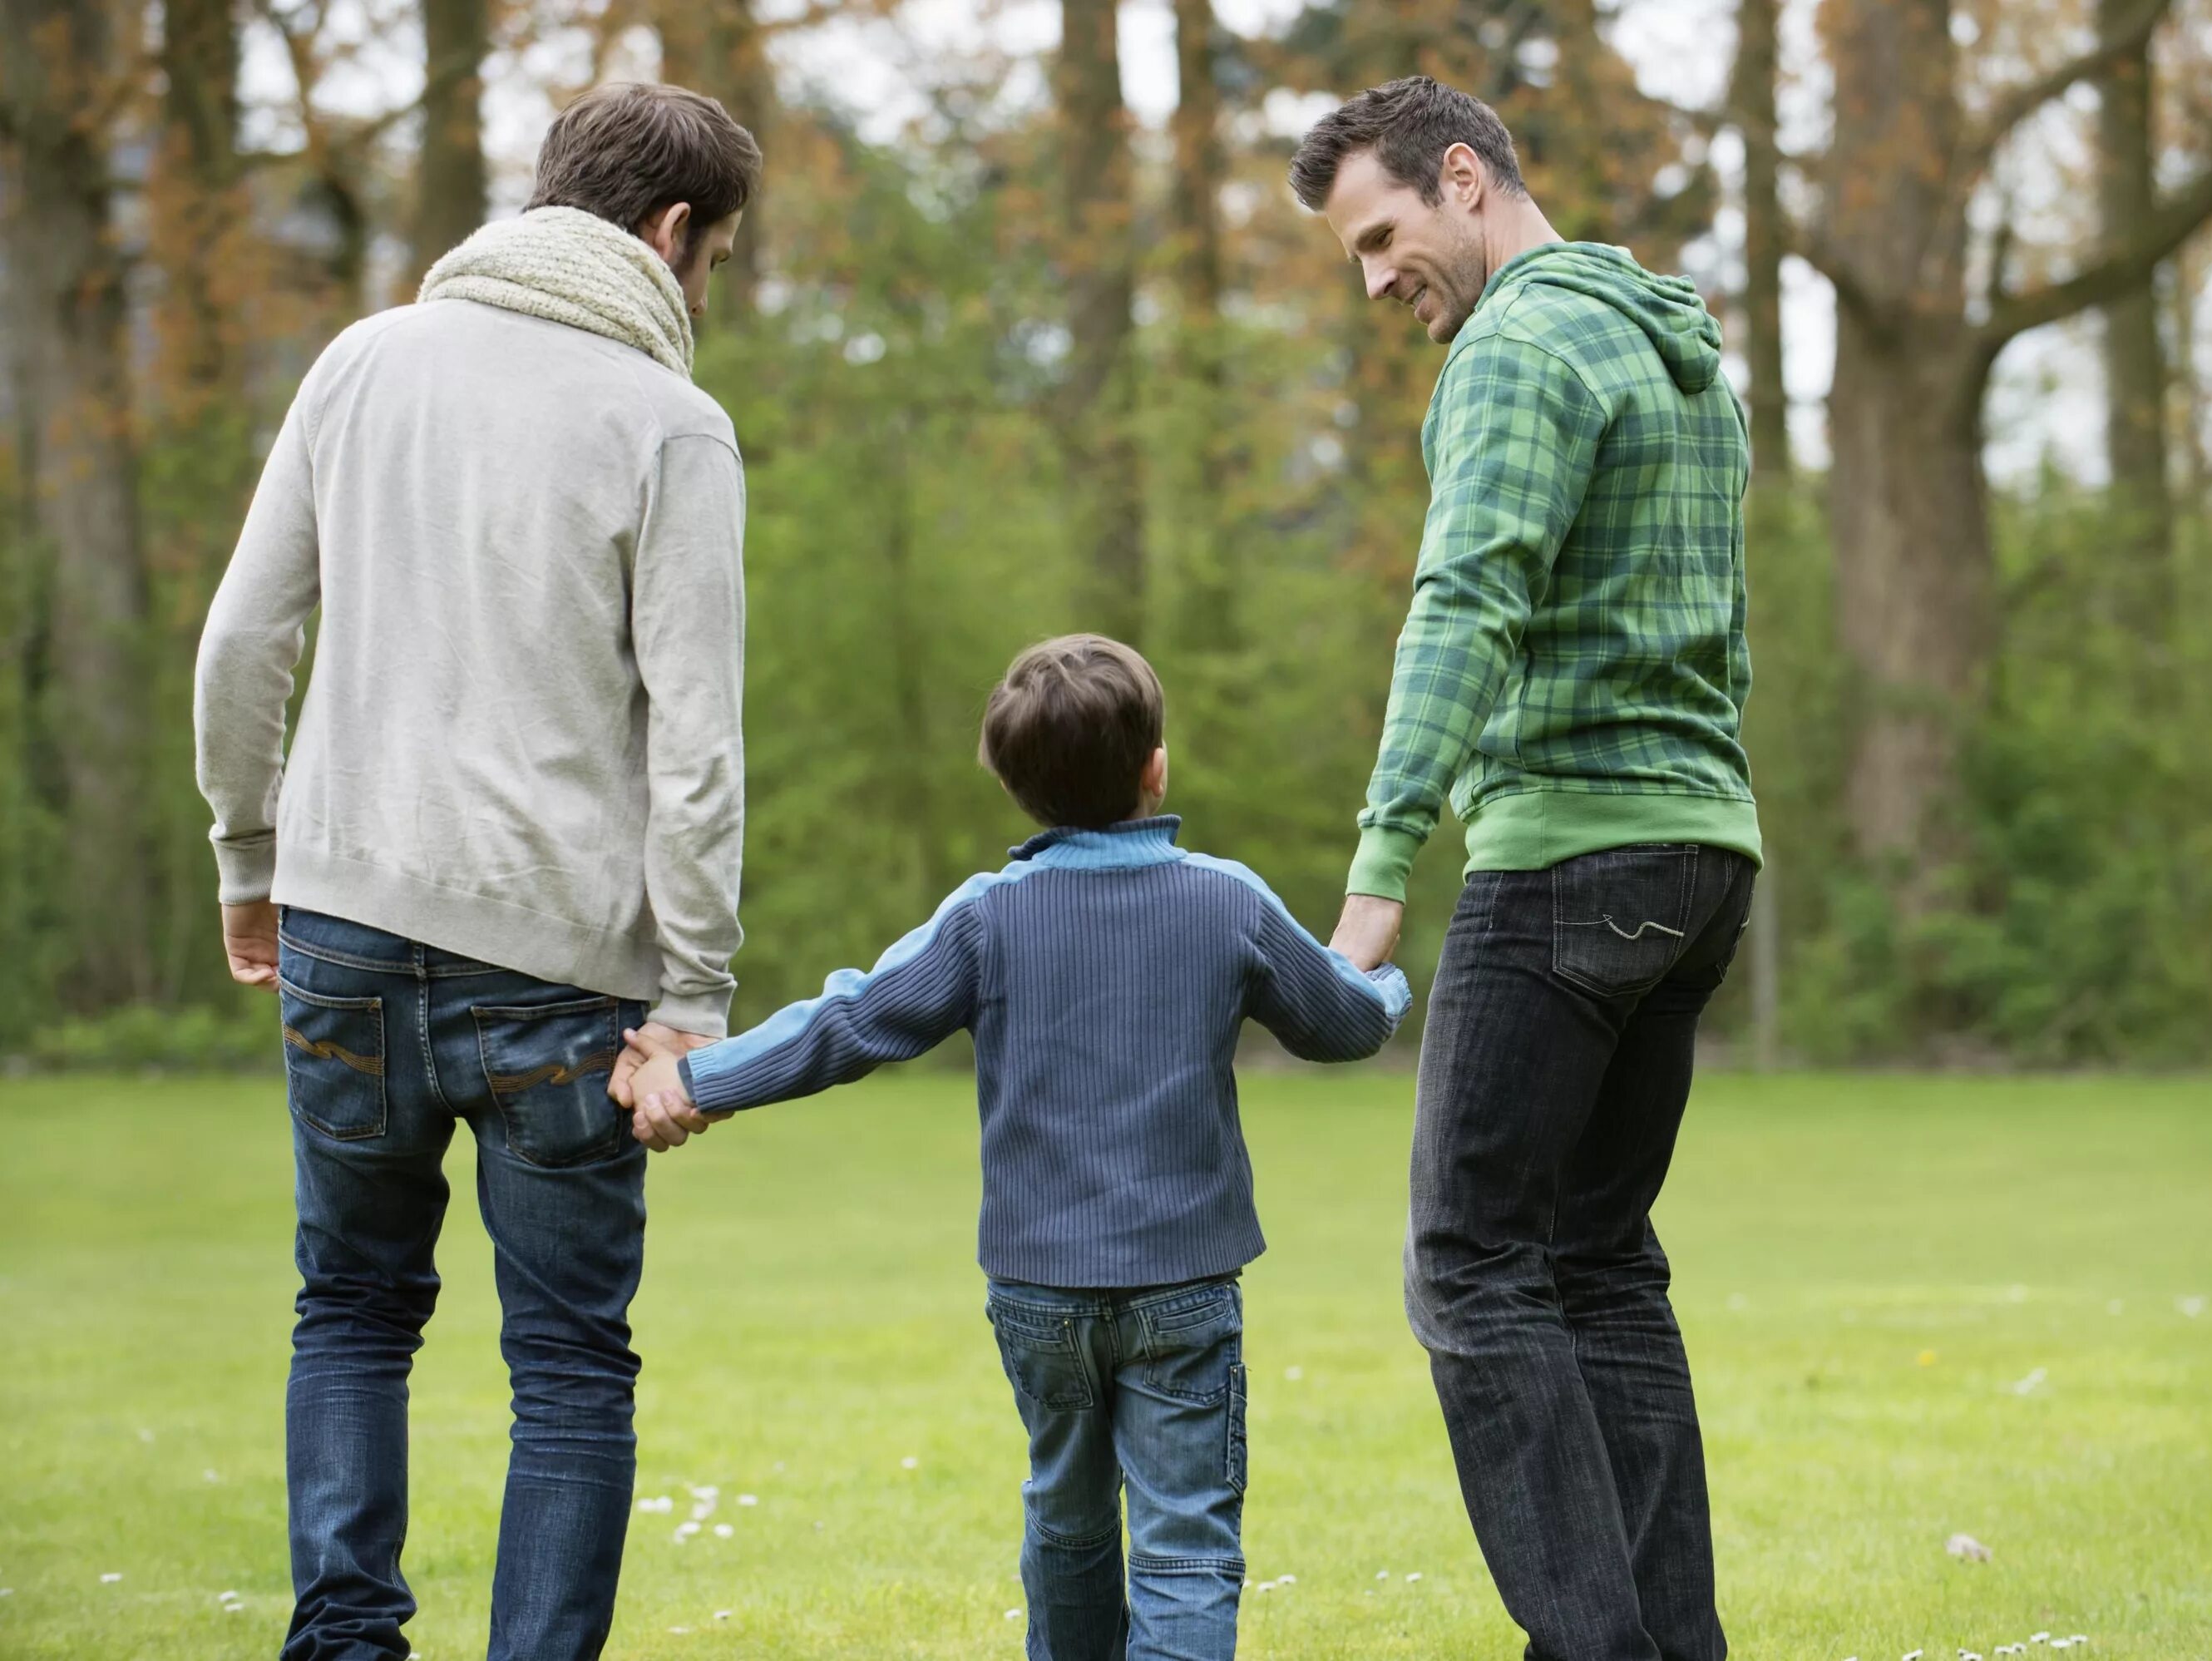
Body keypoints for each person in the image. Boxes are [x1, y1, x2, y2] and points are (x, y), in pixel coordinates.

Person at [191, 82, 762, 1661]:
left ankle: (345, 1643)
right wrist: (694, 995)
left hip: (346, 926)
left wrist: (250, 852)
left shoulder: (363, 363)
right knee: (571, 1362)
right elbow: (697, 747)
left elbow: (244, 641)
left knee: (352, 1311)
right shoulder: (669, 424)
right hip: (565, 971)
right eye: (712, 260)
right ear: (669, 232)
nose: (703, 294)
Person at [623, 634, 1410, 1661]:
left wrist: (697, 1075)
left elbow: (849, 1020)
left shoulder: (988, 916)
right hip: (1184, 1280)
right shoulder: (1229, 899)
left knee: (1068, 1520)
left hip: (1038, 1287)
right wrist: (1379, 980)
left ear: (1013, 786)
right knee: (1183, 1542)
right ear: (1155, 767)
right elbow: (1342, 1024)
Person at [1289, 77, 1760, 1661]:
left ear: (1466, 179)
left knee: (1470, 1269)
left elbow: (1466, 603)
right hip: (1699, 855)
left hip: (1567, 858)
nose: (1373, 282)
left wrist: (1376, 870)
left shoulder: (1520, 347)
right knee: (1599, 1268)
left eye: (1381, 235)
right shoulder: (1679, 351)